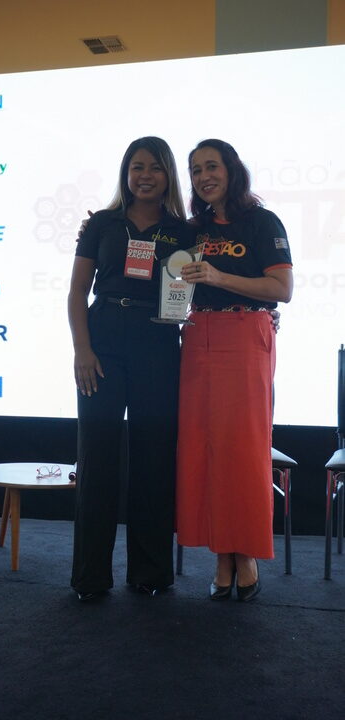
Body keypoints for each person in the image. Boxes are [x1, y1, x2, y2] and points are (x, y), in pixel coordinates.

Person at [68, 136, 195, 600]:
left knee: (154, 459)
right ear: (126, 173)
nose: (146, 176)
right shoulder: (102, 224)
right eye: (137, 167)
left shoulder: (184, 232)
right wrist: (83, 350)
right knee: (97, 458)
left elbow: (197, 289)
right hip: (102, 341)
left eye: (155, 168)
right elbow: (77, 292)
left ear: (168, 176)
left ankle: (150, 573)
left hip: (157, 342)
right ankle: (90, 578)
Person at [176, 139, 293, 601]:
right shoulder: (193, 229)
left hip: (246, 337)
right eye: (196, 169)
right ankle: (220, 553)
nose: (204, 176)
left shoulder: (262, 221)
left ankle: (244, 554)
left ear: (231, 170)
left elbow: (281, 289)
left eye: (212, 166)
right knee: (203, 449)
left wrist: (218, 277)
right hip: (198, 338)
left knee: (242, 450)